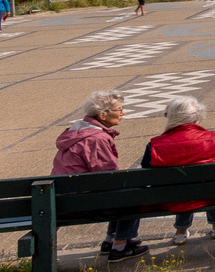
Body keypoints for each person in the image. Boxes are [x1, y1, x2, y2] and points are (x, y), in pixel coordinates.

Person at [52, 90, 147, 261]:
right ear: (102, 115)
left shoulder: (75, 132)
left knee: (123, 192)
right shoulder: (96, 139)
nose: (123, 113)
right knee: (135, 193)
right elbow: (107, 178)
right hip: (83, 203)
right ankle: (120, 247)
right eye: (119, 110)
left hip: (65, 198)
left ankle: (110, 240)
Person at [141, 96, 215, 244]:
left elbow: (144, 172)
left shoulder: (154, 145)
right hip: (211, 194)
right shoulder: (212, 138)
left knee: (182, 188)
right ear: (197, 116)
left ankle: (181, 231)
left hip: (170, 198)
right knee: (213, 182)